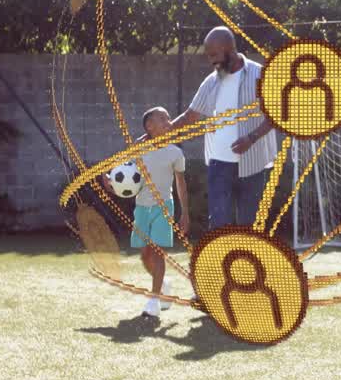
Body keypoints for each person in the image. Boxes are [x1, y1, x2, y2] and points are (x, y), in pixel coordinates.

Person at [153, 27, 278, 231]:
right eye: (208, 56)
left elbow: (276, 116)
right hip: (219, 167)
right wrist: (160, 134)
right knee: (219, 228)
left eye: (214, 55)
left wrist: (252, 138)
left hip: (253, 164)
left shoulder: (260, 74)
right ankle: (220, 263)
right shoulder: (211, 82)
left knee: (251, 229)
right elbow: (190, 116)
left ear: (229, 48)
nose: (211, 61)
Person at [104, 106, 190, 319]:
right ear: (149, 126)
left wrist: (185, 213)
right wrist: (111, 183)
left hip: (164, 207)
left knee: (157, 251)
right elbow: (125, 177)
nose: (168, 121)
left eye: (169, 117)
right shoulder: (138, 150)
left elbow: (181, 184)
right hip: (142, 207)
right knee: (145, 255)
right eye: (162, 118)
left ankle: (153, 301)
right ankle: (163, 285)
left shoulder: (175, 152)